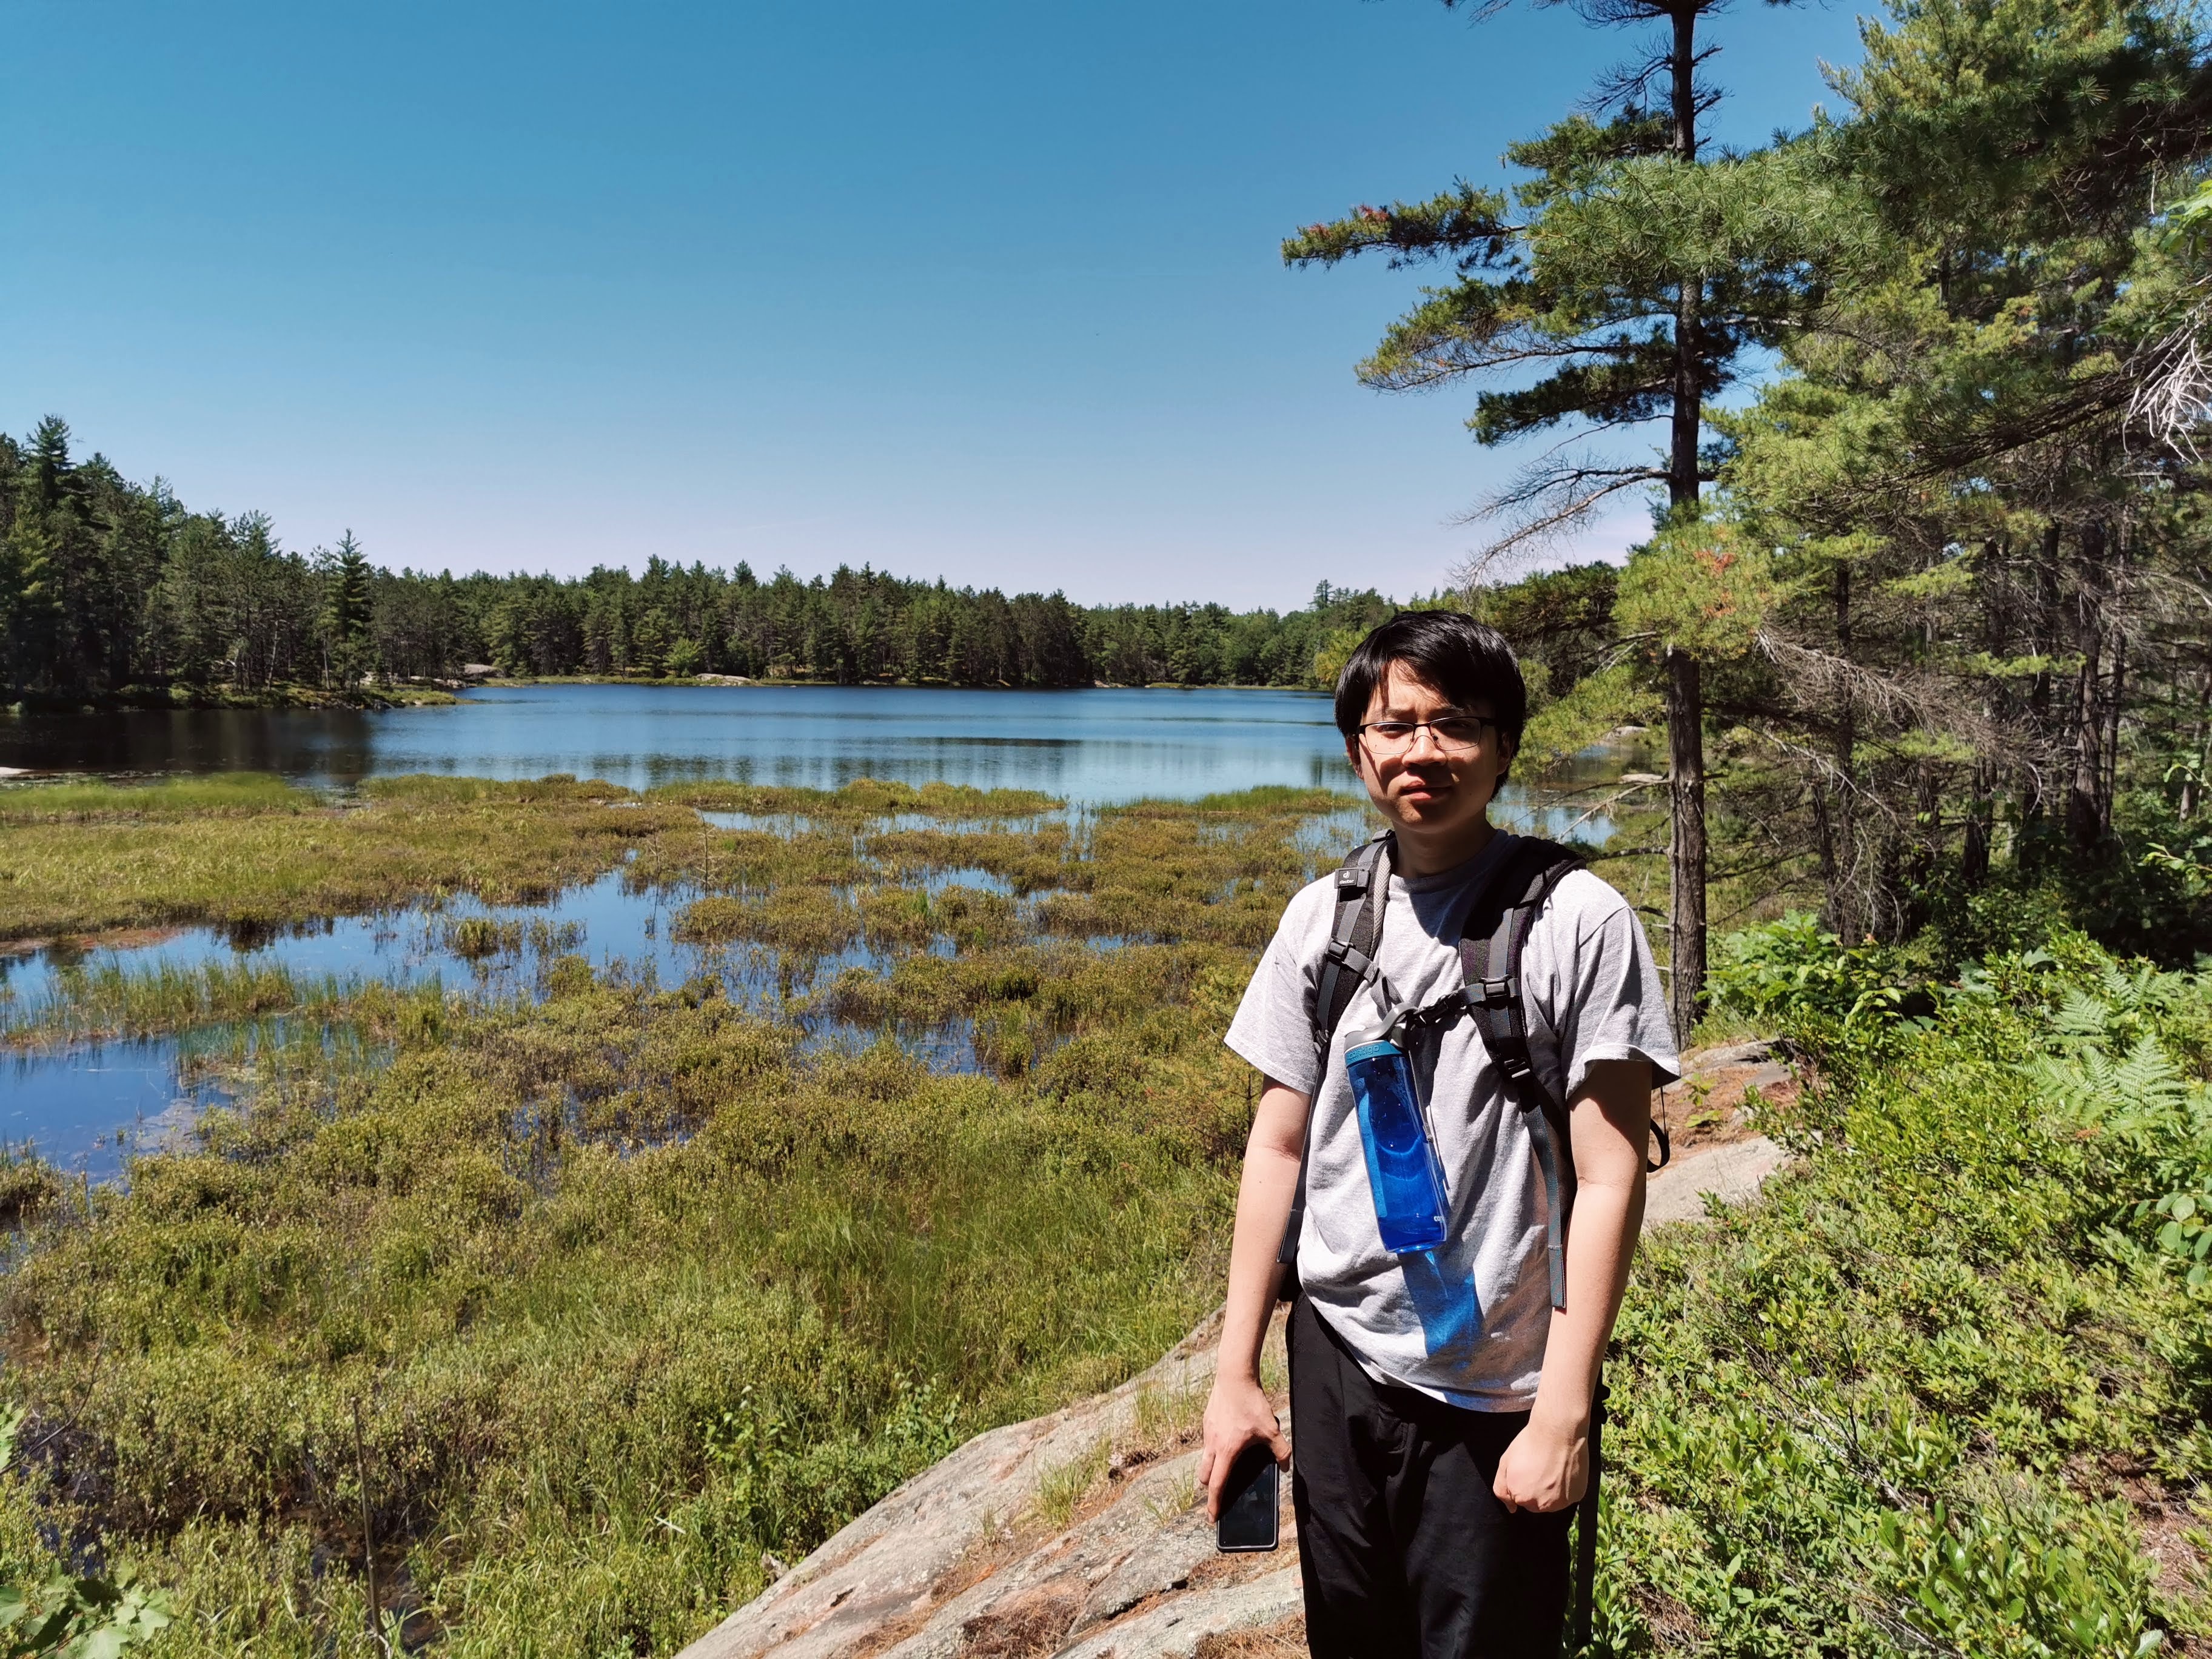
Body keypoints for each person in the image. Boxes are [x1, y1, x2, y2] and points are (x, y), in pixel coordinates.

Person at [1199, 609, 1677, 1658]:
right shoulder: (1323, 919)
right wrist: (1236, 1375)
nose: (1423, 750)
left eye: (1455, 723)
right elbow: (1278, 1149)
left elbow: (1609, 1179)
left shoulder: (1581, 921)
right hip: (1337, 1353)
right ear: (1358, 751)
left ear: (1505, 748)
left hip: (1496, 1385)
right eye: (1395, 724)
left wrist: (1564, 1410)